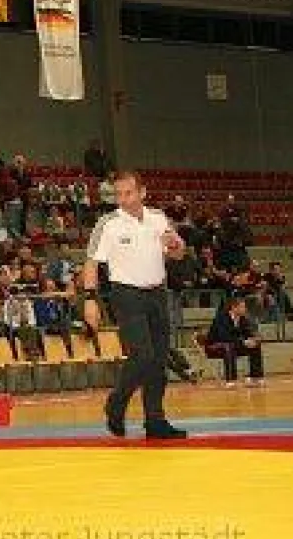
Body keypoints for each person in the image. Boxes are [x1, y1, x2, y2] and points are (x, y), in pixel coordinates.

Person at [82, 170, 188, 440]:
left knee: (159, 359)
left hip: (157, 293)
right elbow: (92, 262)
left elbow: (177, 253)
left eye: (128, 193)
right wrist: (90, 299)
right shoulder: (108, 223)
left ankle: (155, 420)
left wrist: (175, 244)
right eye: (118, 194)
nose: (123, 199)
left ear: (142, 192)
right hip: (126, 295)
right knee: (142, 355)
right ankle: (116, 403)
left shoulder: (158, 218)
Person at [206, 296, 264, 386]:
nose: (244, 309)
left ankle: (255, 377)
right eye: (242, 307)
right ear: (234, 308)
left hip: (234, 345)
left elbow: (247, 332)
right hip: (215, 346)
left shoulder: (242, 319)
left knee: (255, 345)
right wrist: (243, 342)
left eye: (244, 307)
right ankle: (230, 380)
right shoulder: (221, 318)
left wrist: (253, 338)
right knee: (228, 347)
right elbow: (224, 337)